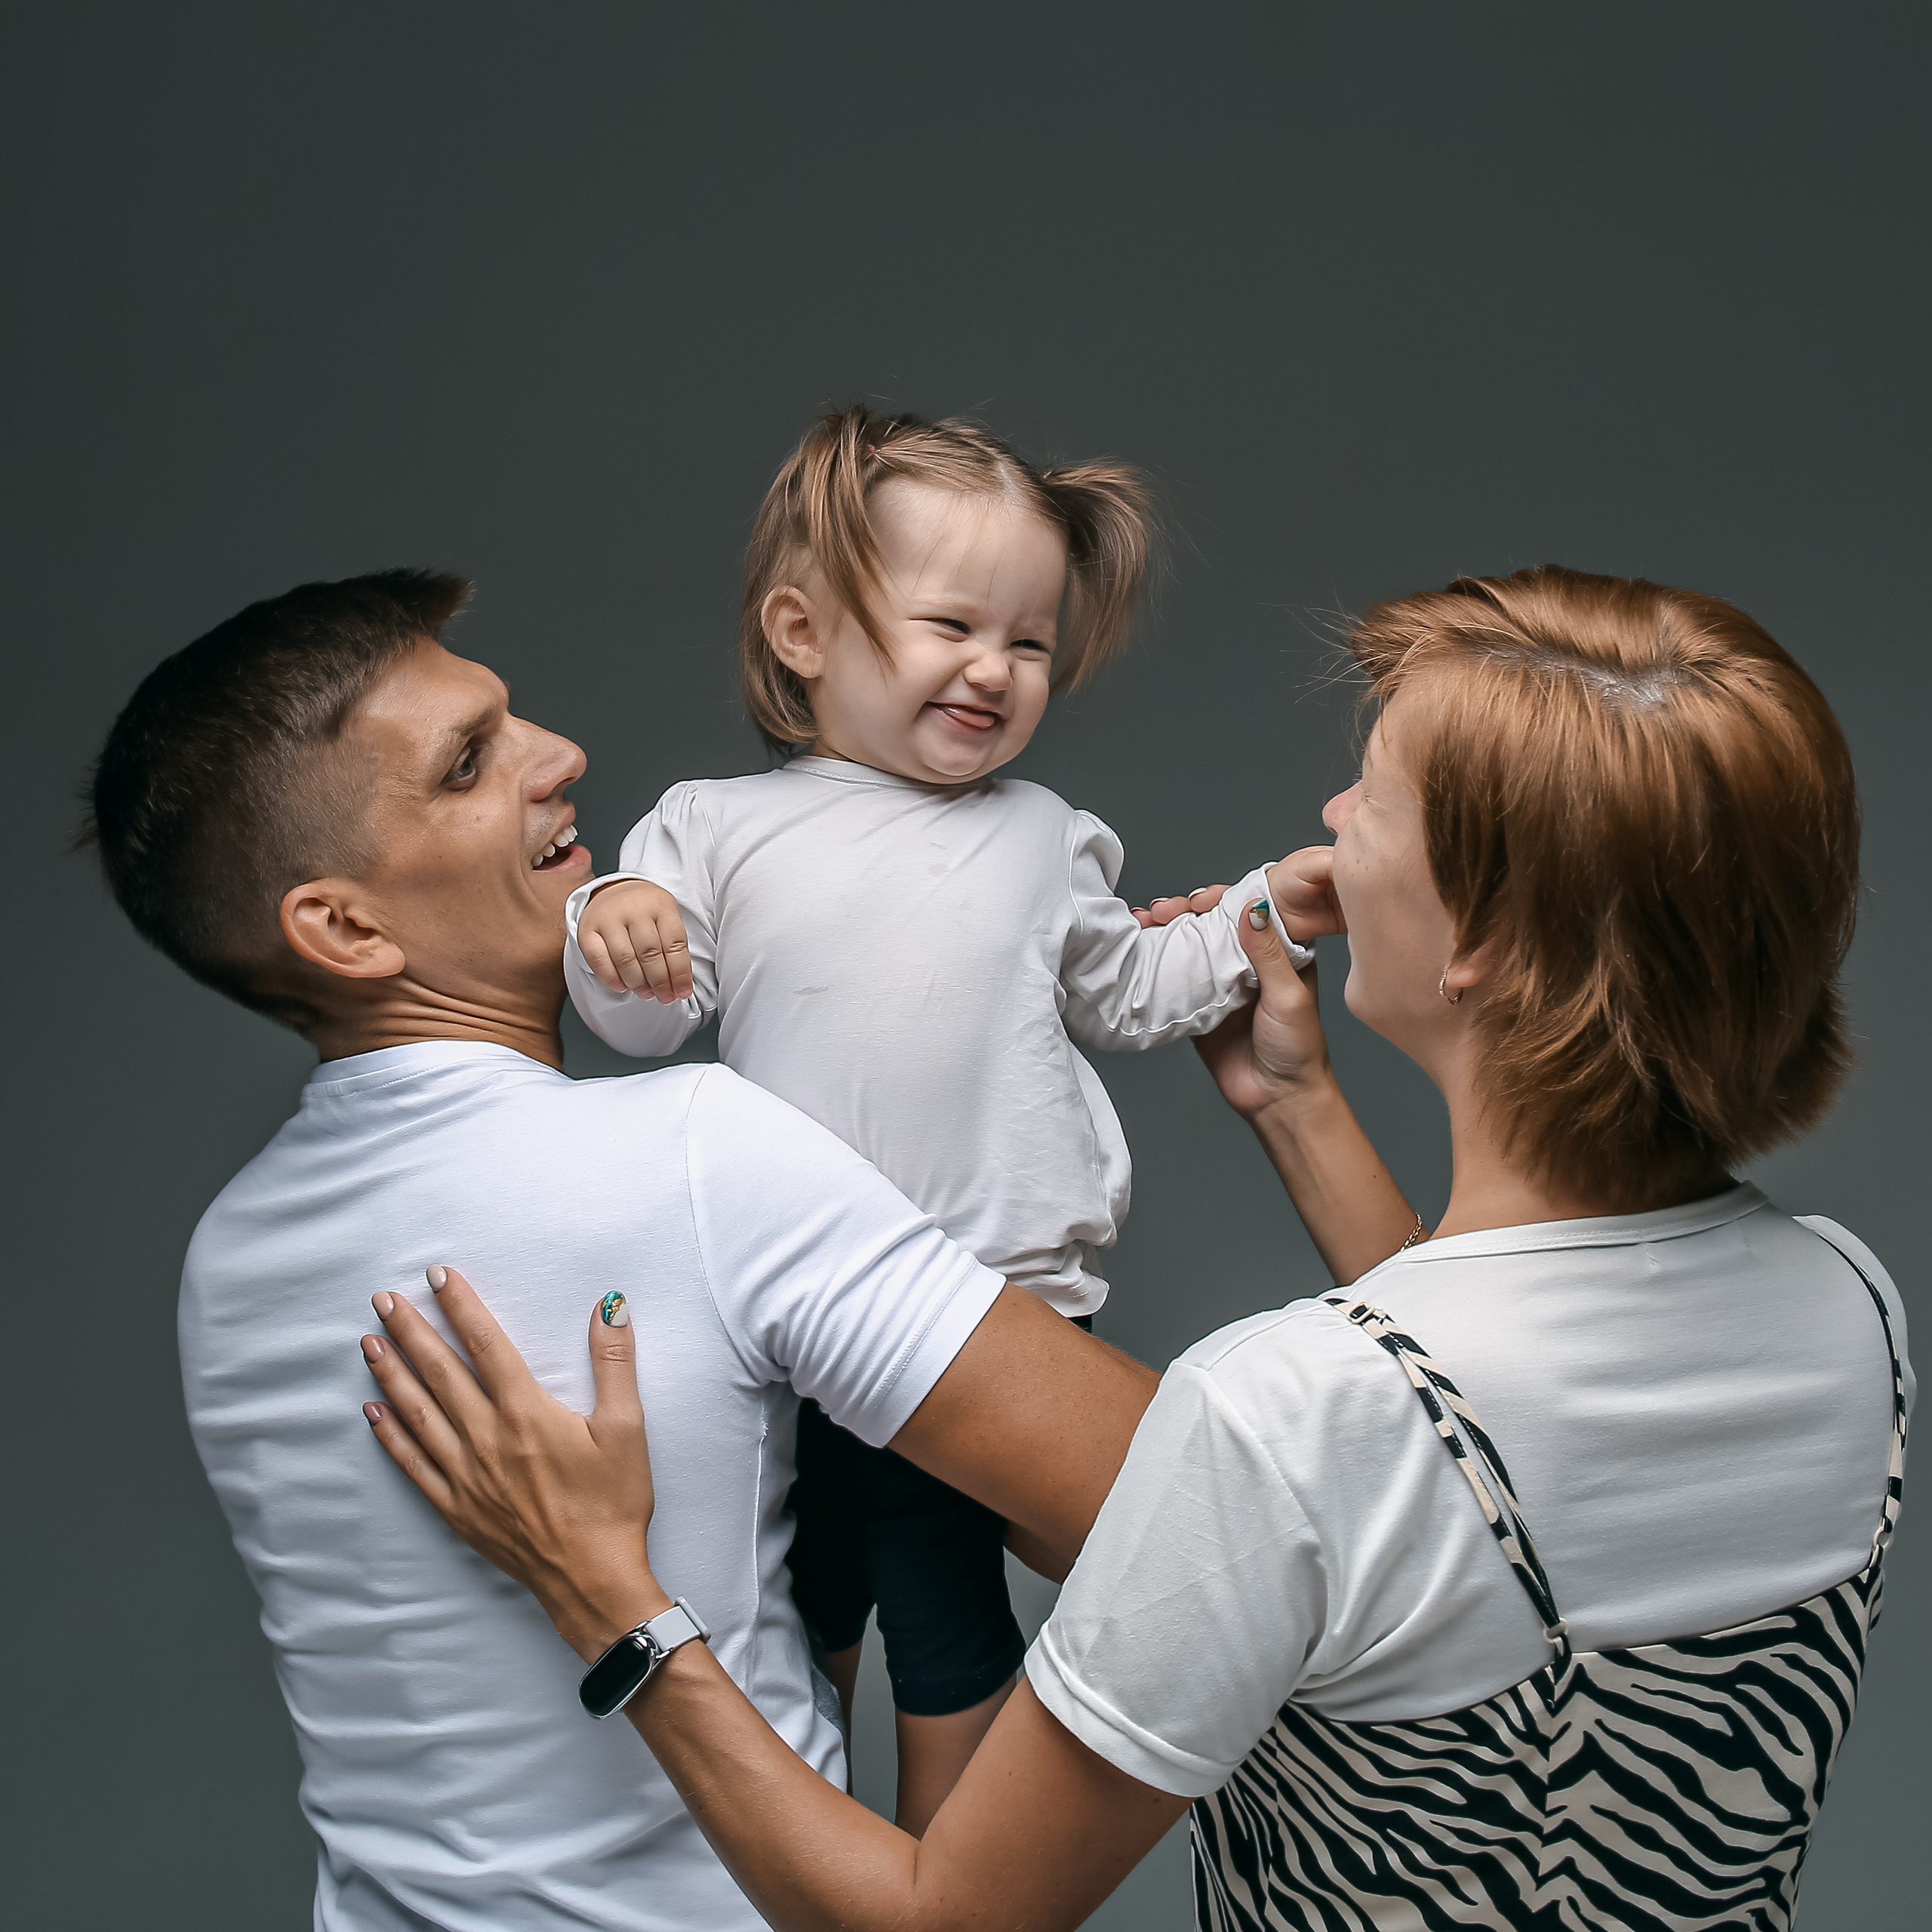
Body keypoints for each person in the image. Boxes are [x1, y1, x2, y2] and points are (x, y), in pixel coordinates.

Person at [362, 565, 1910, 1932]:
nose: (1330, 821)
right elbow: (1473, 1459)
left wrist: (607, 1598)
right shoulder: (1851, 1305)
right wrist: (1297, 1106)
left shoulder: (1277, 1416)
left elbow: (933, 1918)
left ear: (1482, 940)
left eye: (1374, 795)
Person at [83, 568, 1298, 1931]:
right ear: (347, 928)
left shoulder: (227, 1264)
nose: (563, 758)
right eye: (471, 763)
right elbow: (1219, 1524)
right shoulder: (694, 1157)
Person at [563, 408, 1319, 1822]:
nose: (995, 670)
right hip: (791, 1309)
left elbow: (1139, 988)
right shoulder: (711, 829)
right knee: (803, 1597)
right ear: (803, 632)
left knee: (943, 1590)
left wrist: (1267, 915)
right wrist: (617, 920)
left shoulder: (1044, 834)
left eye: (1029, 645)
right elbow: (647, 1025)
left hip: (996, 1302)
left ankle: (949, 1883)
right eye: (952, 626)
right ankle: (833, 1868)